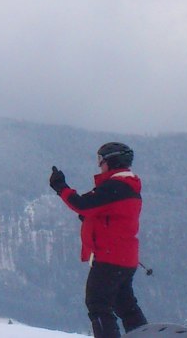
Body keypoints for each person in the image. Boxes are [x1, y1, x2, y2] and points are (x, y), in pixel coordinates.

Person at [49, 141, 147, 338]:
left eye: (101, 160)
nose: (99, 165)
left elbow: (82, 204)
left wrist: (61, 187)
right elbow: (108, 213)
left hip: (110, 257)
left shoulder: (114, 186)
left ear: (111, 161)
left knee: (97, 304)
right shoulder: (126, 186)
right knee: (125, 305)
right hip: (125, 258)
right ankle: (145, 335)